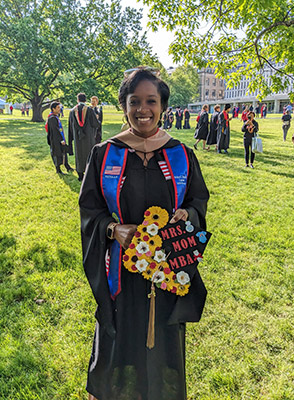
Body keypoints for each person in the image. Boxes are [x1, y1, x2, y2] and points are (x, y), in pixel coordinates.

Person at [79, 67, 209, 400]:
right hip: (121, 273)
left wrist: (187, 216)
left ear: (163, 106)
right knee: (120, 337)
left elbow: (198, 202)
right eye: (134, 101)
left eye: (151, 101)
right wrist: (112, 228)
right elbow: (90, 209)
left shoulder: (181, 154)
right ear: (124, 105)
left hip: (167, 272)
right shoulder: (105, 154)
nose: (142, 109)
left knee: (163, 344)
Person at [68, 93, 99, 181]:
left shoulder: (72, 111)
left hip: (78, 138)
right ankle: (89, 173)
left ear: (78, 100)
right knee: (89, 154)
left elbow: (70, 126)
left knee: (79, 154)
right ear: (85, 100)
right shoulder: (89, 110)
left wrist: (72, 137)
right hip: (88, 137)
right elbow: (95, 124)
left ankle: (80, 175)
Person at [46, 101, 73, 174]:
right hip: (55, 139)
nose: (59, 109)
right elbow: (55, 131)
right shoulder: (52, 118)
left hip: (58, 138)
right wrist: (61, 140)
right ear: (53, 109)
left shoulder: (55, 117)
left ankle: (67, 166)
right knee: (57, 153)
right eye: (58, 107)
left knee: (63, 151)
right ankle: (58, 170)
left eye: (59, 107)